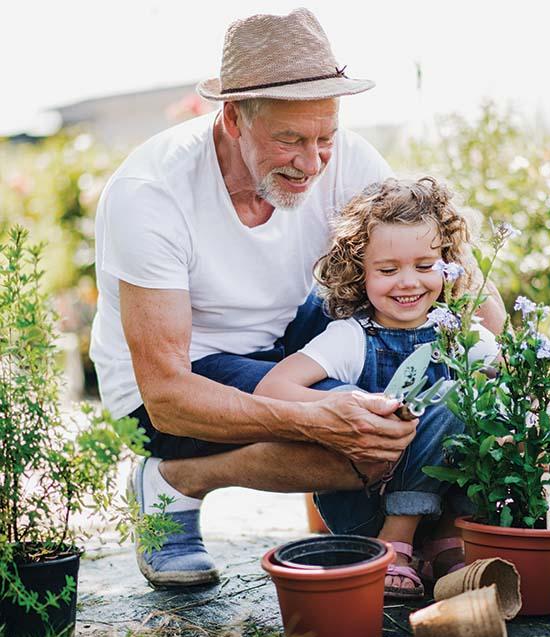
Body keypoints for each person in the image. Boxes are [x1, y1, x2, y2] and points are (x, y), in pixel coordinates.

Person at [90, 9, 506, 588]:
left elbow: (433, 257)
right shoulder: (152, 193)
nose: (311, 163)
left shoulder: (348, 159)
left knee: (407, 411)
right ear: (234, 117)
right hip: (182, 381)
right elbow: (165, 396)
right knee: (363, 440)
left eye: (324, 139)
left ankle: (433, 535)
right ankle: (177, 480)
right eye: (289, 140)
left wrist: (487, 343)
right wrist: (317, 417)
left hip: (288, 344)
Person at [254, 177, 498, 598]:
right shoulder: (352, 336)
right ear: (358, 270)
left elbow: (507, 361)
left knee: (486, 406)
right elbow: (272, 388)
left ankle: (441, 541)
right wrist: (342, 402)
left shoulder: (458, 334)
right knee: (450, 403)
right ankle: (394, 542)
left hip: (442, 510)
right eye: (387, 270)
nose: (408, 282)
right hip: (364, 505)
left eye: (426, 266)